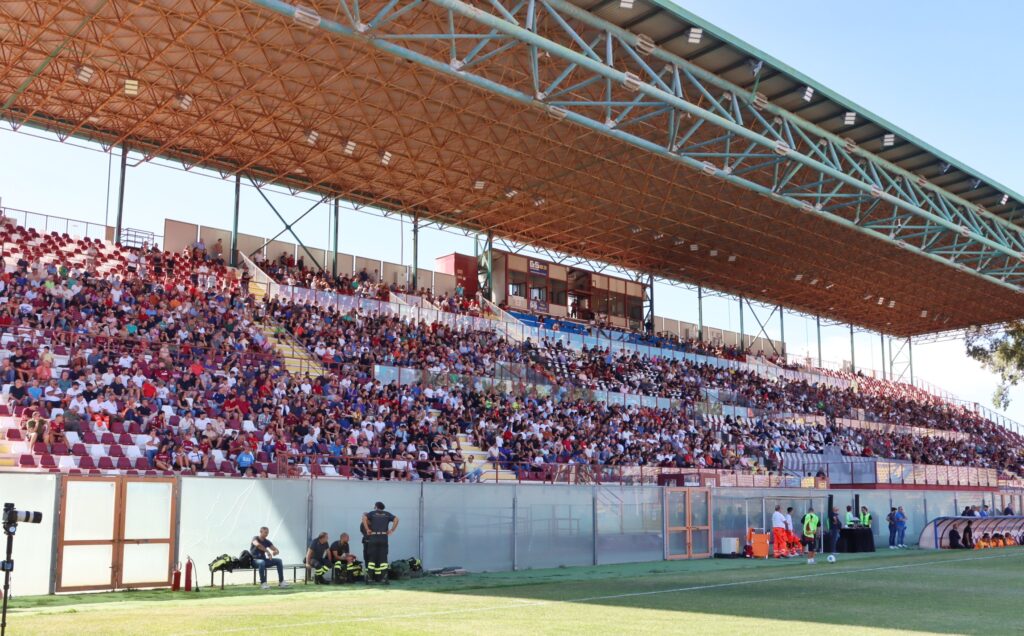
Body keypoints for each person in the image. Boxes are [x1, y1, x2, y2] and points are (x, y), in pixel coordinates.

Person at [361, 501, 399, 583]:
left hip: (374, 538)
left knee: (372, 558)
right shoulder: (387, 514)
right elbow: (396, 519)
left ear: (376, 507)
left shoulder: (372, 513)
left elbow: (364, 518)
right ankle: (384, 578)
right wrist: (392, 530)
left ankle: (370, 578)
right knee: (383, 559)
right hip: (383, 538)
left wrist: (367, 529)